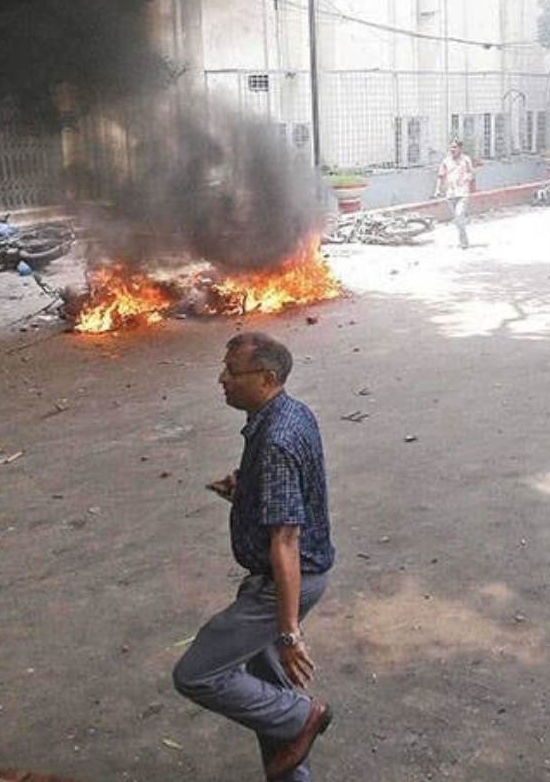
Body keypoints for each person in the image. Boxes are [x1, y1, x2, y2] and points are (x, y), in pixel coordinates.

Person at [174, 332, 336, 782]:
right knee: (265, 685)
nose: (221, 379)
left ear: (267, 377)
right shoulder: (289, 413)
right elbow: (292, 492)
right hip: (291, 574)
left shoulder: (277, 441)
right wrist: (245, 490)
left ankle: (301, 718)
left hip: (283, 581)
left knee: (198, 673)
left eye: (232, 372)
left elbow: (286, 541)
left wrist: (288, 633)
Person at [433, 139, 477, 249]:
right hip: (451, 193)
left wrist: (466, 180)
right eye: (451, 147)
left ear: (460, 149)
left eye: (455, 147)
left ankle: (464, 243)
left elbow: (472, 174)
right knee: (458, 218)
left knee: (459, 215)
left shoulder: (466, 160)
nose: (452, 149)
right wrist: (437, 190)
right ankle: (462, 224)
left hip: (462, 192)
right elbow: (441, 176)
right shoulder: (446, 161)